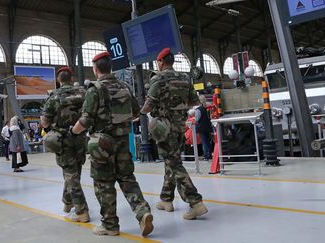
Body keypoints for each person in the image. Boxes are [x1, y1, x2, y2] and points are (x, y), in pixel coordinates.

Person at [71, 52, 153, 237]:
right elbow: (135, 113)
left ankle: (110, 225)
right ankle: (142, 213)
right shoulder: (124, 86)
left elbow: (85, 120)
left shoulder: (95, 89)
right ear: (111, 68)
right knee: (127, 179)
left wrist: (73, 131)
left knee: (103, 183)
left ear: (95, 68)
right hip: (123, 142)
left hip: (102, 145)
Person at [140, 47, 208, 220]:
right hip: (180, 126)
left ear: (161, 62)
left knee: (174, 163)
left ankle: (195, 202)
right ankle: (166, 199)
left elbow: (149, 104)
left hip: (164, 128)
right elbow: (193, 102)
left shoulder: (158, 78)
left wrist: (140, 113)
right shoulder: (185, 78)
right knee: (171, 161)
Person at [41, 66, 89, 222]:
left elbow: (45, 121)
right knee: (75, 172)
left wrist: (49, 126)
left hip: (63, 140)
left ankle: (81, 211)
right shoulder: (84, 93)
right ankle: (67, 202)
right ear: (72, 79)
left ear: (58, 80)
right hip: (81, 138)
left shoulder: (54, 97)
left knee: (70, 174)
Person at [195, 95, 213, 160]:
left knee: (204, 142)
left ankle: (206, 156)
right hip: (208, 126)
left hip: (201, 127)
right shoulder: (208, 108)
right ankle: (210, 155)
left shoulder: (198, 109)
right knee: (208, 142)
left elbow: (197, 119)